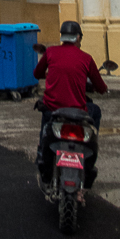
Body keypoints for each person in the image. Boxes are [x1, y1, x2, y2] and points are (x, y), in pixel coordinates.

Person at [32, 21, 108, 191]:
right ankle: (91, 146)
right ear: (78, 37)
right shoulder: (86, 58)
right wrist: (103, 89)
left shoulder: (51, 52)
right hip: (78, 111)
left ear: (62, 36)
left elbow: (37, 73)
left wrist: (50, 73)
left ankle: (42, 156)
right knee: (95, 112)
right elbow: (100, 86)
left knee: (46, 121)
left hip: (53, 109)